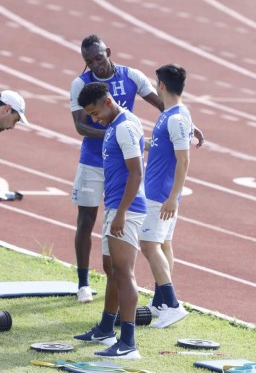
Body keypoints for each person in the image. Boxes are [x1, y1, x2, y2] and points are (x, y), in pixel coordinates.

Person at [70, 34, 204, 302]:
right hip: (93, 162)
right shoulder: (81, 84)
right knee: (86, 220)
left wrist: (188, 126)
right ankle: (83, 283)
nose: (95, 65)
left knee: (132, 233)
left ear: (107, 52)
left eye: (98, 58)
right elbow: (80, 126)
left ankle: (156, 297)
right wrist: (114, 134)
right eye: (89, 61)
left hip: (125, 161)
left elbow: (164, 104)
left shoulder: (131, 76)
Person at [74, 82, 146, 360]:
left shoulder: (125, 126)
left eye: (95, 112)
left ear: (107, 100)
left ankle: (128, 343)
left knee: (124, 273)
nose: (95, 119)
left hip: (126, 210)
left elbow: (136, 173)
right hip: (114, 206)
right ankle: (106, 328)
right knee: (111, 268)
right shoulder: (116, 125)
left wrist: (122, 213)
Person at [139, 64, 192, 329]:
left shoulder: (176, 118)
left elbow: (184, 160)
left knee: (149, 245)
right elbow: (164, 149)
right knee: (163, 245)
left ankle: (172, 305)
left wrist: (172, 198)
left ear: (161, 85)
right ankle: (161, 302)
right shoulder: (170, 114)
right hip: (160, 191)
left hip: (160, 195)